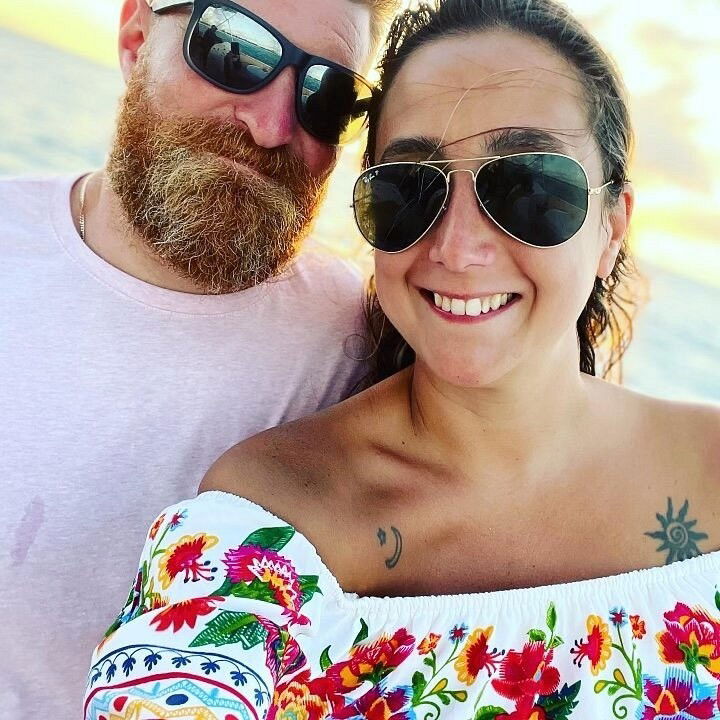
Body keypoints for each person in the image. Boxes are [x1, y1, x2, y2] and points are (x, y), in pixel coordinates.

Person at [83, 1, 720, 719]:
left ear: (612, 226)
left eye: (530, 187)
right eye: (411, 188)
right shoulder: (279, 517)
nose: (458, 248)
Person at [0, 0, 401, 714]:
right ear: (135, 37)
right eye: (232, 49)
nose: (273, 125)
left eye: (329, 96)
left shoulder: (356, 341)